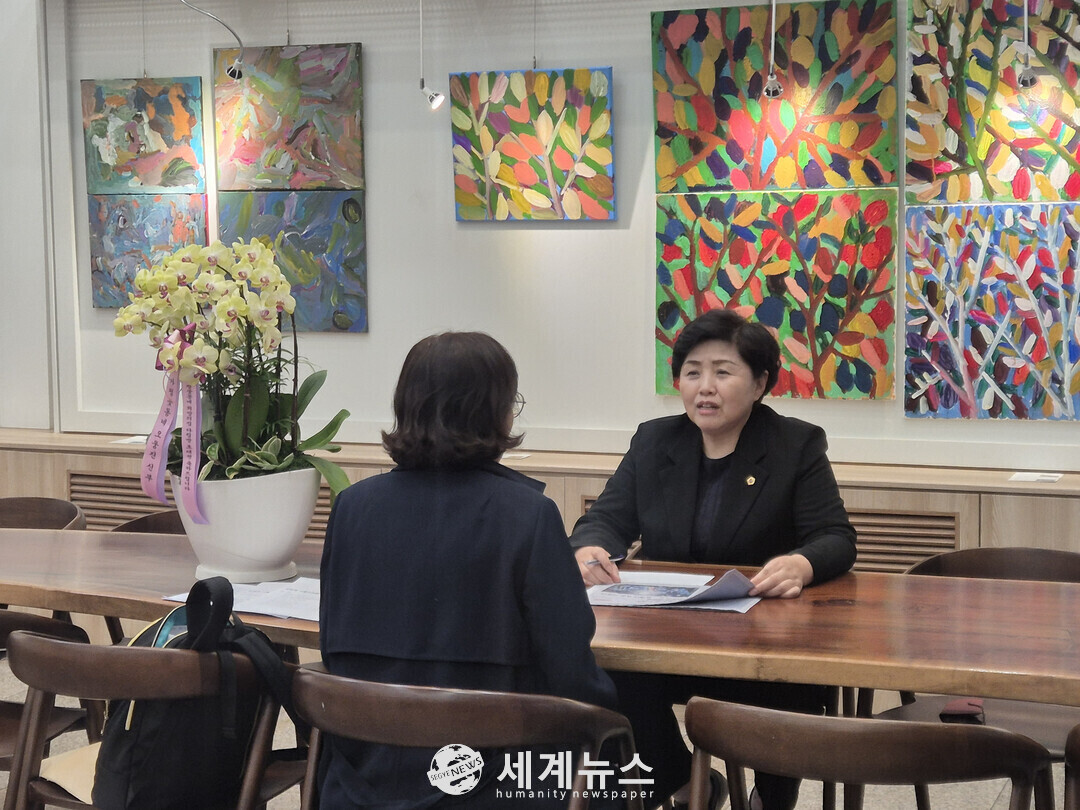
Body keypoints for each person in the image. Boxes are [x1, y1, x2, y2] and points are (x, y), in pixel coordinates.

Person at [320, 331, 619, 809]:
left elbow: (333, 648)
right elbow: (570, 673)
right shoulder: (528, 516)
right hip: (501, 785)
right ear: (496, 411)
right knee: (626, 749)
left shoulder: (351, 507)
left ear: (406, 406)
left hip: (364, 780)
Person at [571, 308, 856, 810]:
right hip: (665, 634)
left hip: (762, 641)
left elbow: (834, 537)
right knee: (606, 670)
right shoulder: (655, 440)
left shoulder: (795, 444)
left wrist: (801, 563)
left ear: (759, 383)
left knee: (790, 687)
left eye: (723, 372)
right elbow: (607, 519)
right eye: (692, 372)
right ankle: (683, 782)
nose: (705, 387)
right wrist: (589, 546)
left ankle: (772, 799)